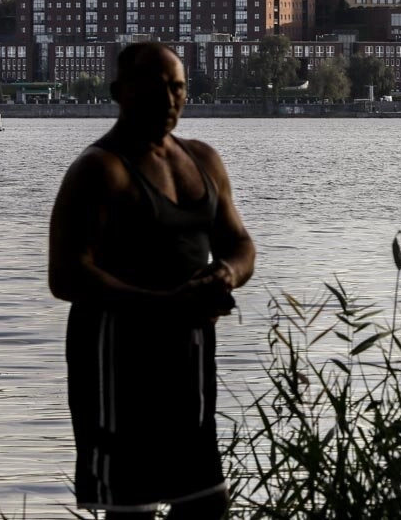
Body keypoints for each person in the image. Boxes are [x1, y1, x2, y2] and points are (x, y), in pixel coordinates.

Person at [48, 43, 255, 518]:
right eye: (154, 86)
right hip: (117, 357)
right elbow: (66, 275)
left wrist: (225, 273)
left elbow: (240, 244)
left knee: (205, 503)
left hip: (190, 355)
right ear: (120, 92)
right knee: (131, 508)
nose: (168, 98)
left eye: (178, 86)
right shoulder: (98, 170)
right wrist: (164, 303)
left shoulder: (204, 160)